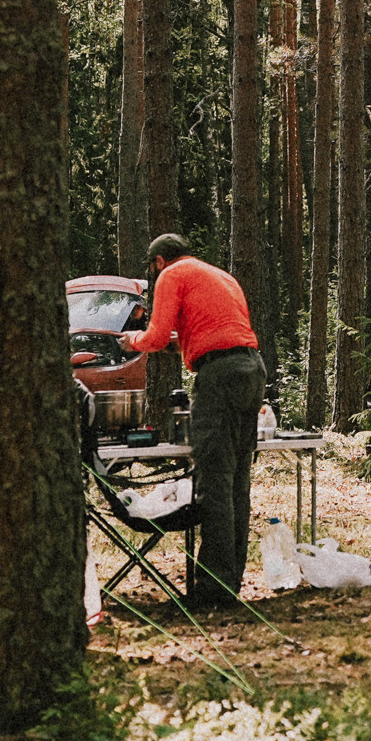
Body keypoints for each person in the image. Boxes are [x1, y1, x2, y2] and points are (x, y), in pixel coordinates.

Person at [121, 234, 265, 607]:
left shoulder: (172, 275)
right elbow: (212, 331)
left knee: (213, 482)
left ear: (158, 263)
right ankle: (229, 584)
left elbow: (153, 337)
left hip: (219, 376)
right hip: (251, 369)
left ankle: (212, 592)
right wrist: (177, 343)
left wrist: (131, 341)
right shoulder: (217, 275)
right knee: (236, 482)